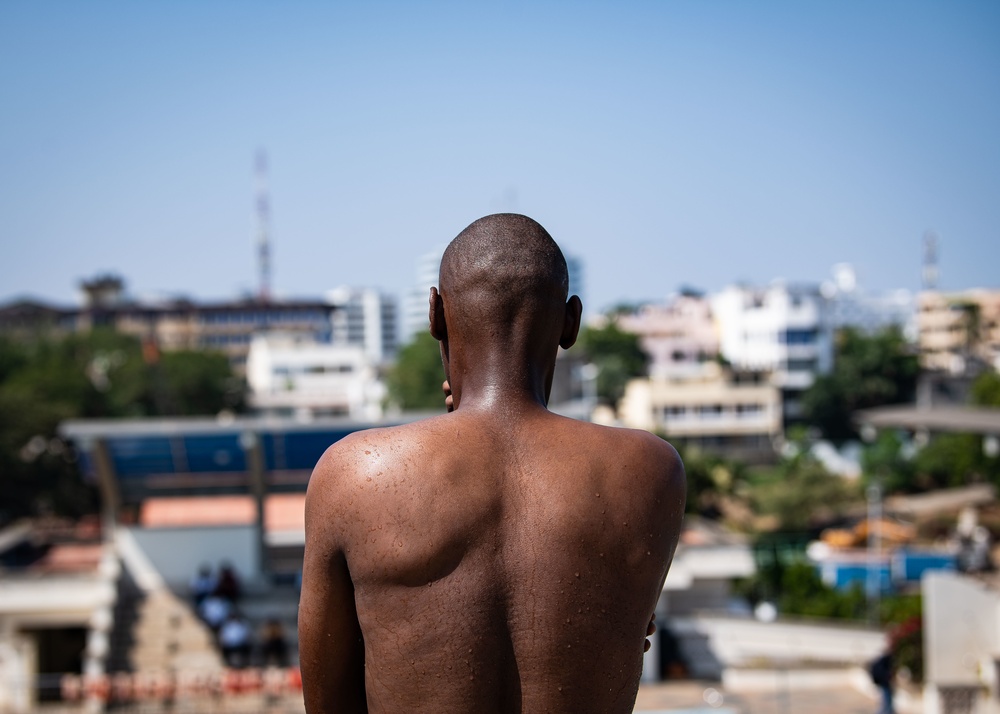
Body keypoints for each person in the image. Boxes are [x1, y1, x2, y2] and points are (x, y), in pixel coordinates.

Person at [299, 214, 686, 713]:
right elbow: (628, 633)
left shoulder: (355, 474)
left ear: (435, 313)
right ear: (571, 322)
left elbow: (328, 701)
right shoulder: (649, 472)